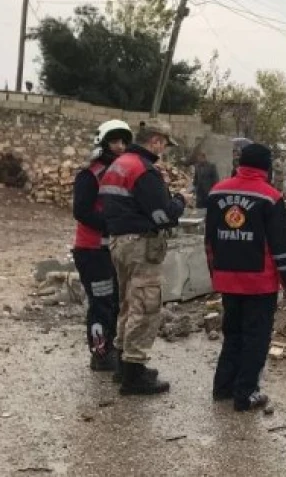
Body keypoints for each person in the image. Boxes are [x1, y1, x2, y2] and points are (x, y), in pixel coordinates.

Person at [205, 143, 286, 412]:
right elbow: (282, 247)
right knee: (256, 338)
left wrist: (215, 275)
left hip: (227, 279)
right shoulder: (270, 197)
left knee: (232, 333)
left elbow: (209, 240)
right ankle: (246, 393)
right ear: (266, 167)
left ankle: (223, 387)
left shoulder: (217, 192)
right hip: (259, 282)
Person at [99, 119, 186, 395]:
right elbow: (163, 215)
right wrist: (181, 200)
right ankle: (134, 372)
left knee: (128, 302)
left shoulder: (119, 164)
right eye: (164, 145)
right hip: (141, 244)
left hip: (119, 242)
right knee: (146, 305)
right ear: (156, 141)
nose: (164, 151)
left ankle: (124, 364)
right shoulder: (144, 171)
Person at [72, 119, 133, 372]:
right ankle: (99, 353)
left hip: (113, 250)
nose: (119, 146)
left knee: (116, 302)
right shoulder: (90, 174)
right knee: (101, 303)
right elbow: (82, 211)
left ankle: (110, 347)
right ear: (103, 142)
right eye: (115, 141)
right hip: (92, 250)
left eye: (123, 142)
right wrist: (113, 225)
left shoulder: (122, 173)